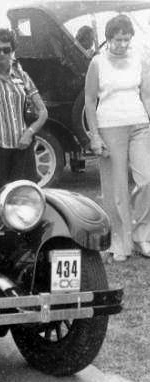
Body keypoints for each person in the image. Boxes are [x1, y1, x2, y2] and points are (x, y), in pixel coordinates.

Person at [84, 14, 150, 262]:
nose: (122, 44)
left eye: (126, 39)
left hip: (139, 124)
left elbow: (147, 96)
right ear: (108, 39)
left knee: (147, 181)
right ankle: (120, 242)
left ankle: (142, 235)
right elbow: (90, 102)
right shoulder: (97, 63)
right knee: (116, 188)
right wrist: (95, 137)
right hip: (109, 126)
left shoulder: (141, 59)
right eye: (117, 39)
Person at [0, 28, 48, 219]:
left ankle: (22, 244)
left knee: (25, 199)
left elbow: (43, 112)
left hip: (22, 147)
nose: (3, 54)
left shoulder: (22, 76)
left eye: (7, 50)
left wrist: (29, 132)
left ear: (13, 51)